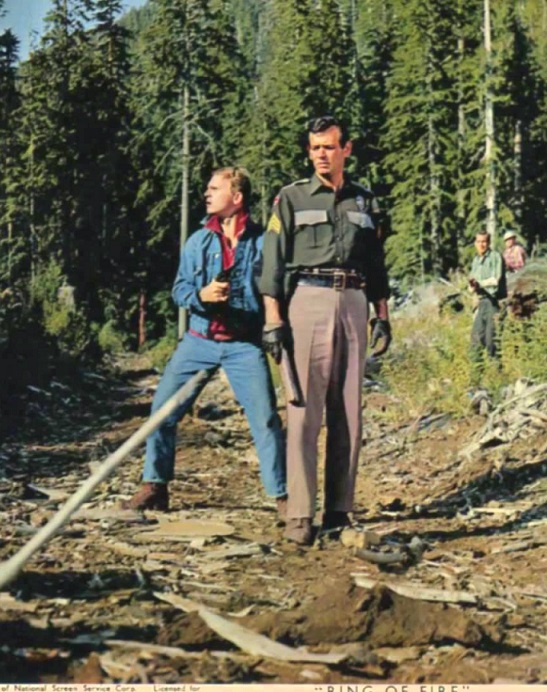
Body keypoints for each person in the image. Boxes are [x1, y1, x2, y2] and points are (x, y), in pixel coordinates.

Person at [121, 167, 287, 515]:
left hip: (245, 344)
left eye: (215, 188)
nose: (207, 194)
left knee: (266, 419)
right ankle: (155, 485)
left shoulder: (263, 242)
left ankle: (283, 497)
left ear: (237, 197)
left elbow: (277, 289)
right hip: (198, 340)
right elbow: (179, 290)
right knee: (162, 412)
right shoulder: (198, 241)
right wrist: (203, 294)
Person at [258, 115, 391, 546]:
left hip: (353, 300)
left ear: (346, 149)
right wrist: (273, 320)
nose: (321, 154)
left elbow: (375, 265)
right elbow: (273, 264)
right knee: (303, 411)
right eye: (315, 147)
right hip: (308, 300)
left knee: (348, 412)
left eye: (329, 147)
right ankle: (299, 514)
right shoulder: (291, 198)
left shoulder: (364, 202)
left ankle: (339, 510)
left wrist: (382, 315)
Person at [468, 231, 506, 358]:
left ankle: (496, 371)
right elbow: (472, 283)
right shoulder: (476, 261)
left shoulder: (495, 257)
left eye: (484, 241)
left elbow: (496, 280)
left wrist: (480, 284)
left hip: (493, 301)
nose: (481, 245)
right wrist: (472, 287)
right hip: (480, 302)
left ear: (489, 243)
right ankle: (477, 373)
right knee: (476, 339)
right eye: (478, 242)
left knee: (491, 341)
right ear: (475, 243)